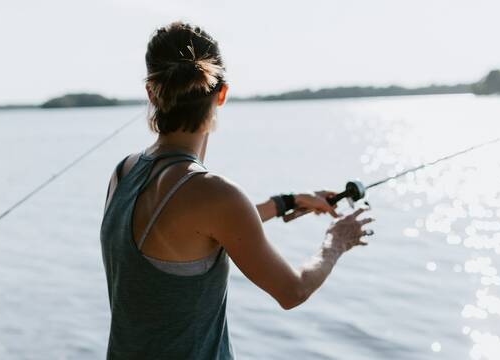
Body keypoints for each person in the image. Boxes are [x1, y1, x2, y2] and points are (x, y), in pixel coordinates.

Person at [100, 21, 375, 360]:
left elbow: (188, 233)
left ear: (151, 93)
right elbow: (293, 291)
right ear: (222, 93)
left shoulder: (123, 172)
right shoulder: (214, 195)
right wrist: (336, 242)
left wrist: (286, 202)